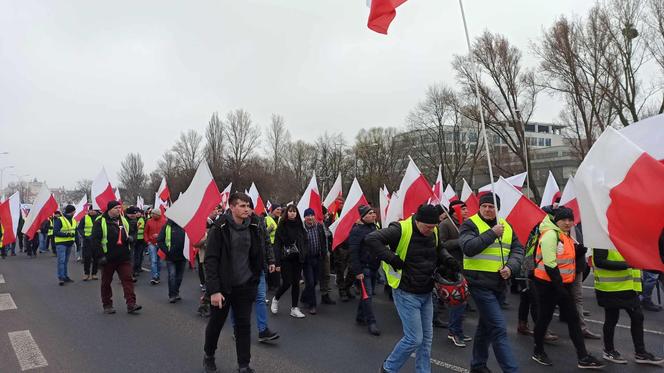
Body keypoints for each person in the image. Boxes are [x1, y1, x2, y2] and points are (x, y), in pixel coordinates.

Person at [366, 204, 460, 373]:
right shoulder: (400, 229)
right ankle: (388, 368)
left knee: (426, 340)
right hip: (405, 292)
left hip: (427, 291)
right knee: (414, 339)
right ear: (417, 221)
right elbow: (372, 239)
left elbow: (439, 248)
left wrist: (448, 260)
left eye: (433, 227)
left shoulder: (434, 230)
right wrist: (392, 258)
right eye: (427, 227)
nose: (431, 230)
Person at [530, 207, 604, 368]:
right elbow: (550, 264)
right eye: (564, 220)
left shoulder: (565, 235)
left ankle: (583, 357)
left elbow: (565, 258)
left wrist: (579, 251)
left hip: (562, 285)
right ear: (557, 220)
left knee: (573, 320)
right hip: (547, 285)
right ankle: (538, 351)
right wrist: (561, 290)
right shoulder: (550, 234)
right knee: (544, 318)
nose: (568, 223)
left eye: (570, 220)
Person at [459, 193, 523, 373]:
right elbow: (468, 248)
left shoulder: (506, 226)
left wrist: (511, 267)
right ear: (479, 207)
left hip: (499, 284)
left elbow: (518, 250)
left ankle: (477, 365)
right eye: (484, 206)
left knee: (485, 326)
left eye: (491, 206)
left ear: (497, 208)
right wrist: (492, 233)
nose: (488, 209)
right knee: (498, 328)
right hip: (478, 283)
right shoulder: (469, 224)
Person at [203, 193, 263, 373]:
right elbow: (211, 260)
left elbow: (257, 254)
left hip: (245, 286)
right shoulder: (219, 228)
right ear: (232, 207)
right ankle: (209, 356)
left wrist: (255, 279)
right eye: (243, 206)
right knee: (216, 324)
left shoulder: (253, 226)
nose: (247, 209)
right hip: (223, 288)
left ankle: (243, 364)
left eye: (248, 206)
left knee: (244, 326)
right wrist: (213, 290)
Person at [593, 247, 664, 365]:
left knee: (637, 317)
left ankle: (640, 353)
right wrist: (629, 264)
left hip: (628, 287)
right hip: (611, 288)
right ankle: (609, 351)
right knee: (612, 319)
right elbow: (599, 261)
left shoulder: (626, 237)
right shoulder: (603, 237)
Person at [91, 201, 141, 314]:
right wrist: (100, 256)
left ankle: (131, 304)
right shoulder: (100, 222)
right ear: (109, 209)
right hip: (108, 258)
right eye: (116, 208)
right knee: (106, 282)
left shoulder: (124, 220)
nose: (119, 210)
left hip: (123, 257)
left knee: (127, 280)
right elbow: (95, 241)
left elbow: (133, 232)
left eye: (120, 207)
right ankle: (107, 304)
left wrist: (132, 238)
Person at [439, 200, 473, 347]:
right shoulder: (446, 225)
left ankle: (458, 330)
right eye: (463, 209)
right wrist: (460, 241)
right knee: (456, 302)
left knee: (463, 301)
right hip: (452, 267)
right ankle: (453, 332)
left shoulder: (465, 224)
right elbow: (441, 244)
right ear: (455, 211)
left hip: (465, 265)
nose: (466, 212)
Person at [271, 205, 307, 318]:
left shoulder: (300, 225)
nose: (292, 213)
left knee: (296, 283)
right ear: (286, 213)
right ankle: (276, 298)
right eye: (290, 211)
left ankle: (294, 308)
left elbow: (305, 240)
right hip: (285, 259)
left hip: (298, 259)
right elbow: (277, 245)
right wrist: (277, 262)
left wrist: (304, 253)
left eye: (294, 211)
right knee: (287, 282)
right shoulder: (282, 226)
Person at [349, 204, 381, 336]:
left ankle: (360, 316)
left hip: (374, 266)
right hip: (364, 268)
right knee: (368, 296)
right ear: (363, 216)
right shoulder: (356, 230)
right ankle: (371, 322)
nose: (373, 215)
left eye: (373, 213)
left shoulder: (375, 227)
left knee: (367, 294)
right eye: (369, 213)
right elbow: (353, 252)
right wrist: (358, 271)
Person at [301, 208, 328, 315]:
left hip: (318, 258)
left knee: (315, 281)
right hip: (307, 260)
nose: (310, 217)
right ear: (305, 217)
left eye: (312, 215)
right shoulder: (301, 229)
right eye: (308, 215)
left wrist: (324, 253)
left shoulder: (319, 226)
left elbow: (323, 240)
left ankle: (304, 296)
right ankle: (312, 305)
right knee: (310, 282)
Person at [157, 219, 187, 303]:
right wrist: (167, 251)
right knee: (172, 276)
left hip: (183, 256)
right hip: (171, 257)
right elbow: (160, 240)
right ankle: (172, 295)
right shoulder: (167, 226)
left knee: (179, 277)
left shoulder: (185, 225)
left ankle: (176, 292)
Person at [53, 205, 78, 286]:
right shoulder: (59, 219)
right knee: (61, 261)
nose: (75, 212)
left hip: (69, 243)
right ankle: (61, 277)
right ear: (72, 211)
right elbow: (55, 232)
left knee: (65, 261)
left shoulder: (74, 220)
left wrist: (77, 242)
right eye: (74, 211)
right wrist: (66, 234)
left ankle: (65, 276)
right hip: (61, 243)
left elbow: (75, 232)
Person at [144, 208, 166, 285]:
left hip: (161, 244)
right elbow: (145, 232)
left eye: (153, 214)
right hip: (152, 244)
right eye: (152, 213)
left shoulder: (164, 221)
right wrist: (148, 241)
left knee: (159, 261)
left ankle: (158, 275)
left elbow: (166, 233)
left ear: (158, 214)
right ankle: (155, 276)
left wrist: (160, 236)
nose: (152, 215)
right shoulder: (149, 221)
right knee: (154, 261)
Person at [78, 207, 100, 281]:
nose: (92, 211)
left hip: (97, 241)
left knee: (96, 258)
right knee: (87, 258)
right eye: (90, 210)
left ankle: (94, 274)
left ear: (96, 211)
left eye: (93, 210)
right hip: (87, 241)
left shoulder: (100, 218)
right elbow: (80, 228)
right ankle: (86, 274)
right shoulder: (85, 218)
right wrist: (84, 235)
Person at [265, 204, 282, 291]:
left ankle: (277, 284)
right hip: (270, 245)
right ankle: (271, 284)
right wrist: (269, 229)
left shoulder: (280, 219)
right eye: (277, 209)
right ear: (272, 210)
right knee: (272, 263)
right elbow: (264, 233)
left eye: (280, 209)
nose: (279, 211)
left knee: (278, 264)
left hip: (279, 244)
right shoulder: (267, 219)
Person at [128, 207, 146, 279]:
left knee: (139, 255)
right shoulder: (132, 220)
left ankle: (137, 268)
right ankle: (133, 270)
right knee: (133, 256)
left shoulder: (141, 219)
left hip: (140, 240)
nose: (136, 214)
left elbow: (139, 228)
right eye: (136, 213)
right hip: (133, 240)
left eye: (138, 212)